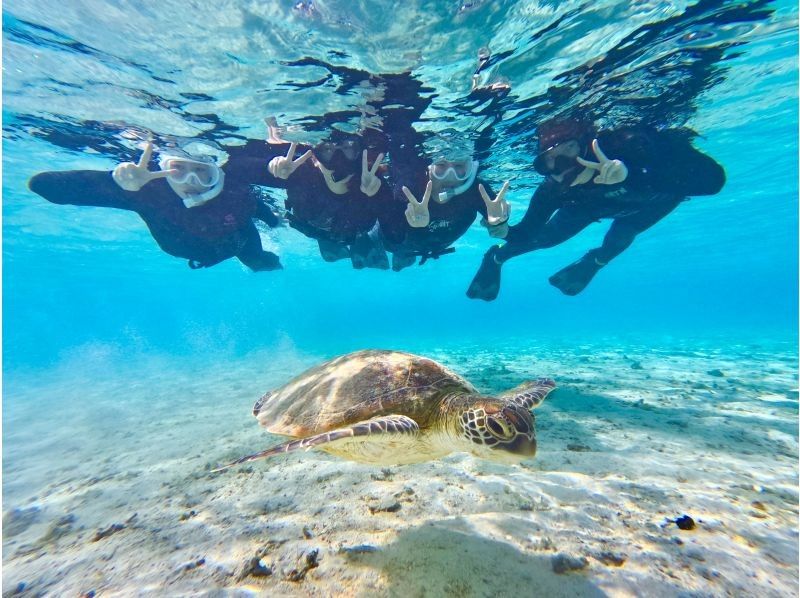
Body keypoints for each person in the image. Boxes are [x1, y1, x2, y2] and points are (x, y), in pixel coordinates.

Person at [466, 119, 726, 300]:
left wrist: (633, 174)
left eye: (568, 150)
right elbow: (526, 233)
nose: (561, 165)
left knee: (621, 236)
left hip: (648, 203)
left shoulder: (633, 147)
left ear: (588, 144)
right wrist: (502, 230)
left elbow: (713, 181)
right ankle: (497, 257)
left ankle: (595, 261)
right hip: (587, 206)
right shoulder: (555, 188)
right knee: (546, 239)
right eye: (549, 160)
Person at [28, 140, 283, 271]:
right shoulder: (145, 191)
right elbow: (46, 186)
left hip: (240, 240)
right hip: (198, 251)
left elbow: (255, 207)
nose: (191, 182)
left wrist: (273, 221)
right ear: (164, 169)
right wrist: (113, 182)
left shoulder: (232, 189)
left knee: (263, 263)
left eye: (203, 173)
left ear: (218, 174)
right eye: (178, 171)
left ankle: (265, 264)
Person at [255, 121, 391, 269]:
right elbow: (234, 170)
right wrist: (269, 168)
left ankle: (360, 245)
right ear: (314, 157)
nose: (338, 161)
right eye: (326, 150)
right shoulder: (299, 174)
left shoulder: (370, 179)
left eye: (348, 149)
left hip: (355, 231)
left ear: (358, 154)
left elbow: (393, 223)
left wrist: (378, 195)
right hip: (318, 231)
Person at [378, 141, 511, 271]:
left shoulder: (477, 190)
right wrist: (410, 226)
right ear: (428, 169)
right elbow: (390, 234)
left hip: (439, 246)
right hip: (398, 244)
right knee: (394, 248)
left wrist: (501, 226)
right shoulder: (410, 189)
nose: (450, 175)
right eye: (441, 165)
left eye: (459, 166)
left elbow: (503, 229)